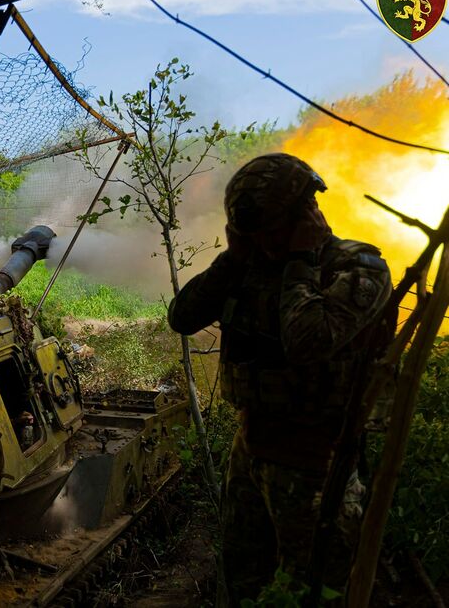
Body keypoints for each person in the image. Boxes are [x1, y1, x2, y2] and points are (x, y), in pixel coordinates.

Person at [167, 153, 394, 605]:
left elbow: (306, 341)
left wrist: (301, 261)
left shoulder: (357, 268)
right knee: (243, 582)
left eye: (271, 230)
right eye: (253, 234)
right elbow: (183, 318)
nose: (264, 243)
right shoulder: (251, 263)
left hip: (316, 463)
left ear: (307, 213)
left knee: (316, 590)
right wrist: (232, 261)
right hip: (252, 449)